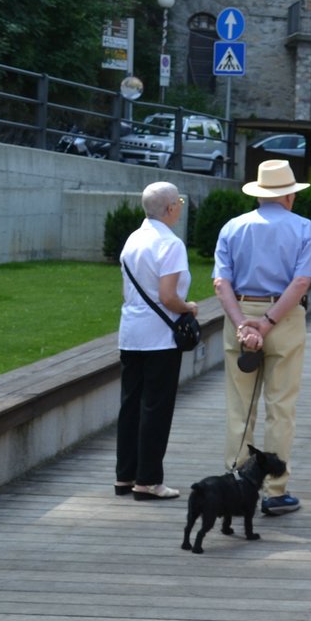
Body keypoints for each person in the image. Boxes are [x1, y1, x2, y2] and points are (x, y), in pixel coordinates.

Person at [212, 160, 311, 516]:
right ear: (289, 194)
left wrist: (244, 322)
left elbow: (220, 282)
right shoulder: (304, 228)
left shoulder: (232, 227)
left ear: (260, 193)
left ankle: (235, 485)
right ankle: (274, 491)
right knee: (280, 408)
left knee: (238, 409)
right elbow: (301, 282)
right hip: (285, 319)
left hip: (240, 316)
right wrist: (270, 322)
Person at [115, 181, 200, 501]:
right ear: (169, 208)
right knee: (156, 407)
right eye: (178, 200)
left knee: (130, 405)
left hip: (131, 331)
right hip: (160, 337)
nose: (180, 205)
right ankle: (148, 480)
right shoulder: (171, 244)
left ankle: (125, 476)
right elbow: (168, 297)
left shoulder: (133, 239)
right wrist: (188, 307)